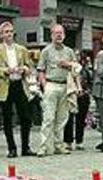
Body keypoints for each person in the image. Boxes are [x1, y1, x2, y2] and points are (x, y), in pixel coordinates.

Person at [0, 21, 35, 158]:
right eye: (6, 32)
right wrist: (5, 71)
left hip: (19, 84)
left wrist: (25, 69)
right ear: (1, 35)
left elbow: (29, 65)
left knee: (25, 117)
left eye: (11, 31)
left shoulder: (21, 49)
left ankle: (26, 147)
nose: (9, 34)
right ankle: (12, 148)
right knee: (7, 118)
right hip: (5, 85)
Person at [37, 24, 76, 156]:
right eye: (56, 33)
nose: (59, 35)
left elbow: (76, 69)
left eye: (61, 33)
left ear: (64, 35)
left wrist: (69, 65)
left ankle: (59, 145)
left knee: (62, 118)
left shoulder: (69, 52)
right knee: (48, 118)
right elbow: (40, 70)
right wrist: (44, 85)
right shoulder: (46, 51)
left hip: (65, 85)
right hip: (51, 84)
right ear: (51, 35)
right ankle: (44, 147)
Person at [64, 51, 92, 150]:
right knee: (69, 119)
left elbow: (89, 81)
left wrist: (86, 91)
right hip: (71, 95)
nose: (76, 57)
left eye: (78, 55)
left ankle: (79, 141)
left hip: (83, 96)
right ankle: (68, 141)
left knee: (81, 120)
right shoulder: (67, 69)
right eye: (74, 55)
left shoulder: (84, 69)